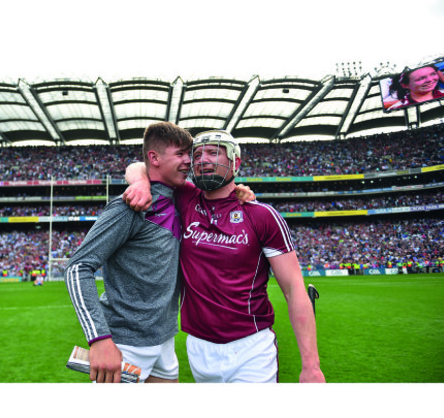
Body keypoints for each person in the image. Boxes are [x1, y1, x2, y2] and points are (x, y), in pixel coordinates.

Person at [124, 129, 325, 383]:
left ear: (235, 162)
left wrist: (311, 365)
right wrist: (141, 183)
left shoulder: (262, 215)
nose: (202, 159)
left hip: (251, 348)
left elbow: (294, 289)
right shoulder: (185, 199)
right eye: (196, 155)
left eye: (213, 152)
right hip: (197, 347)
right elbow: (139, 166)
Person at [64, 122, 254, 384]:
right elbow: (77, 268)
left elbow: (138, 167)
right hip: (125, 345)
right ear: (154, 158)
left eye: (189, 154)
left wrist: (239, 192)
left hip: (164, 341)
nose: (189, 161)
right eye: (180, 155)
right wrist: (99, 339)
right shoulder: (129, 206)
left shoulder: (181, 198)